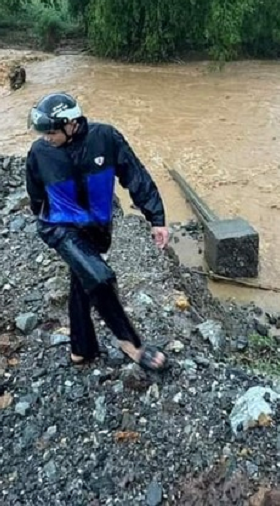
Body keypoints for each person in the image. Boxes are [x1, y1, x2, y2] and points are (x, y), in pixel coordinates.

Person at [25, 92, 170, 372]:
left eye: (52, 132)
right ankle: (131, 344)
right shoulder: (40, 152)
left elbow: (135, 176)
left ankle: (82, 349)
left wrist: (157, 218)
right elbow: (35, 195)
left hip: (98, 228)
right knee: (100, 278)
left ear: (72, 124)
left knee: (83, 279)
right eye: (42, 132)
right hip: (59, 227)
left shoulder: (106, 138)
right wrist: (53, 219)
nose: (46, 137)